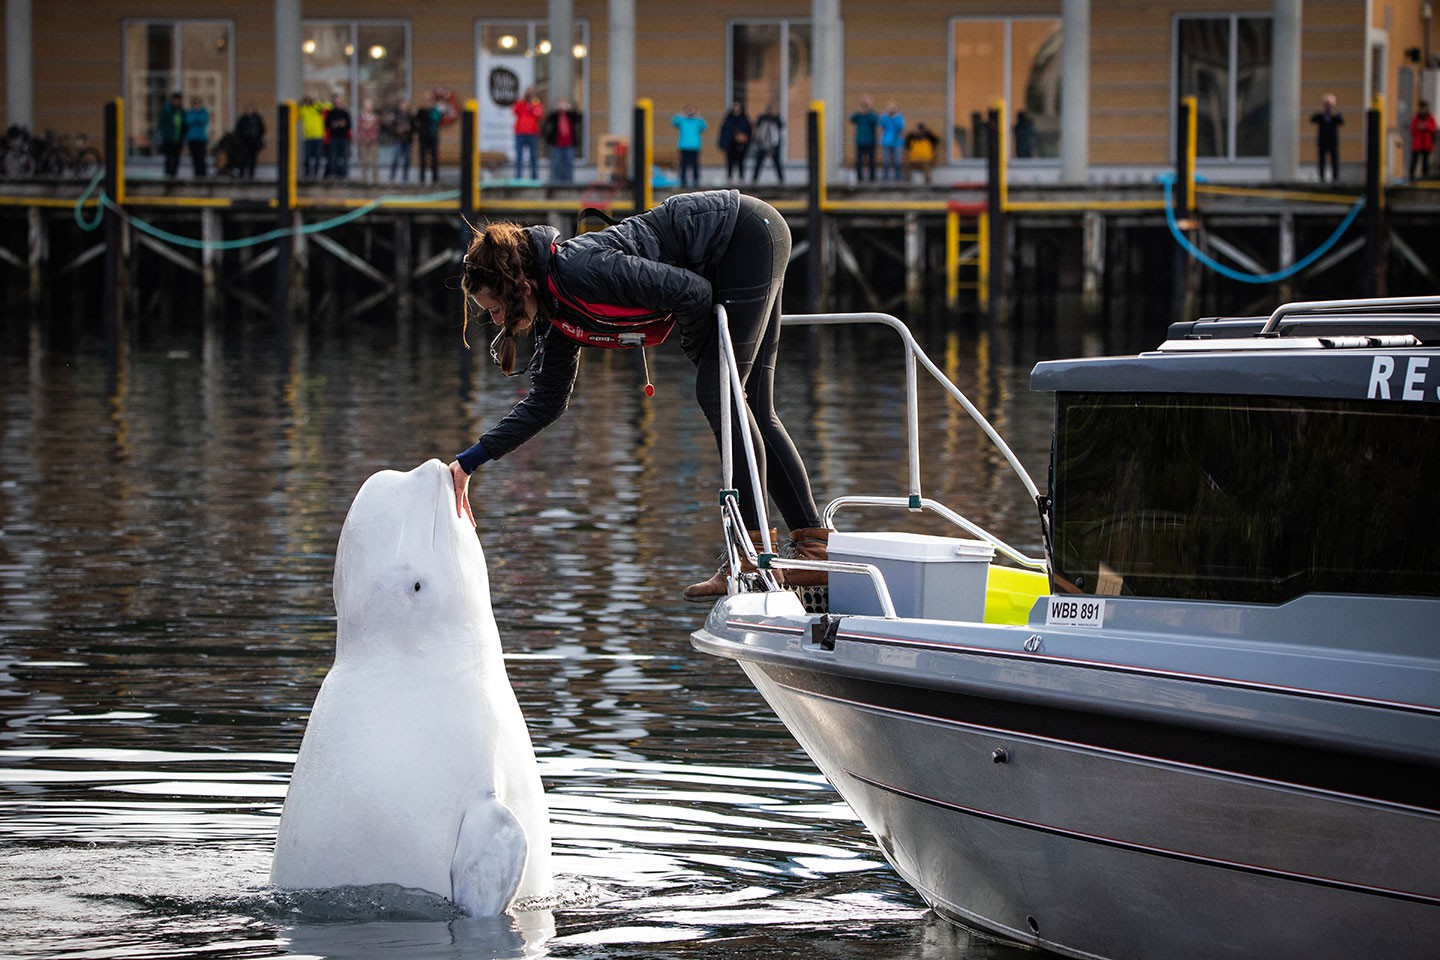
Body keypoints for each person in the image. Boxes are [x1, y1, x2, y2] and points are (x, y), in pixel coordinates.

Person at [448, 189, 830, 601]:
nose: (496, 319)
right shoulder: (554, 307)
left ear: (519, 287)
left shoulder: (579, 270)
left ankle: (751, 555)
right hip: (746, 238)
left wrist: (700, 354)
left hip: (742, 233)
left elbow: (693, 293)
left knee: (721, 393)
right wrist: (468, 464)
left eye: (494, 309)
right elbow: (547, 402)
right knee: (748, 403)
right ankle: (816, 550)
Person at [541, 97, 583, 184]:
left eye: (564, 104)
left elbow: (578, 118)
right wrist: (555, 110)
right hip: (556, 145)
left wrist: (570, 110)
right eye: (560, 104)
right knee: (556, 164)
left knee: (569, 165)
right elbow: (547, 122)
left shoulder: (570, 115)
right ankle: (556, 183)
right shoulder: (554, 116)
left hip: (569, 144)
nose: (562, 106)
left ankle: (569, 183)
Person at [673, 105, 708, 189]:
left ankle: (696, 180)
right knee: (683, 165)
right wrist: (683, 115)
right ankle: (683, 181)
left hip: (694, 146)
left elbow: (704, 126)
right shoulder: (682, 121)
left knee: (695, 165)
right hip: (684, 146)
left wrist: (698, 117)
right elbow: (674, 121)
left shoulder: (697, 121)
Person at [513, 87, 543, 180]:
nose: (529, 95)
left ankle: (534, 177)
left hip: (532, 133)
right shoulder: (521, 103)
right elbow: (515, 111)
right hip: (520, 132)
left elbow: (539, 114)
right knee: (519, 156)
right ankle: (518, 177)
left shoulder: (536, 103)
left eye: (531, 93)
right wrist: (523, 101)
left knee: (533, 156)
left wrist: (533, 105)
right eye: (527, 93)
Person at [717, 100, 752, 182]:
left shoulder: (744, 118)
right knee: (730, 161)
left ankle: (741, 177)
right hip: (730, 144)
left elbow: (749, 131)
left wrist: (745, 139)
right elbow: (724, 131)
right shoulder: (728, 119)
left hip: (741, 144)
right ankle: (729, 177)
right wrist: (722, 144)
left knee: (741, 161)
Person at [1311, 94, 1343, 183]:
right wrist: (1320, 113)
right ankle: (1321, 177)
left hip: (1332, 140)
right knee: (1321, 159)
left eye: (1329, 104)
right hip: (1322, 140)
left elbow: (1341, 121)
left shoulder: (1336, 114)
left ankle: (1335, 177)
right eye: (1326, 104)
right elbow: (1313, 119)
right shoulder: (1321, 114)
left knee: (1334, 159)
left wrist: (1334, 114)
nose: (1328, 106)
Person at [751, 102, 784, 184]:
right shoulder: (762, 118)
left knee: (777, 163)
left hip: (773, 144)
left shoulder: (776, 119)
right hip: (763, 143)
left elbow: (780, 127)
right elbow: (757, 127)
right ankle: (754, 180)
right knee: (758, 163)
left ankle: (781, 180)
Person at [298, 94, 329, 179]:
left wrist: (316, 100)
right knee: (307, 156)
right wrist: (301, 101)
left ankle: (316, 174)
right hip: (308, 136)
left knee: (318, 156)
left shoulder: (317, 108)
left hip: (318, 135)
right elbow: (297, 115)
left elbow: (327, 107)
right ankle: (307, 173)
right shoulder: (304, 108)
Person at [850, 97, 879, 182]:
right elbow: (852, 119)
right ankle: (859, 178)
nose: (865, 107)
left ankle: (872, 178)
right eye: (864, 105)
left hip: (870, 142)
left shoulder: (872, 115)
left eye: (866, 105)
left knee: (871, 161)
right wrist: (860, 112)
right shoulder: (859, 116)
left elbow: (875, 120)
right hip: (860, 142)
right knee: (859, 161)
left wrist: (869, 111)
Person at [157, 91, 185, 178]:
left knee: (176, 158)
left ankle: (174, 174)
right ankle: (168, 174)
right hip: (169, 138)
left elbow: (184, 125)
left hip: (178, 138)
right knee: (169, 157)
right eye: (175, 100)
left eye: (178, 100)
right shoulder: (166, 110)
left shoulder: (181, 111)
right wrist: (164, 135)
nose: (176, 102)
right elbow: (161, 124)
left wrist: (183, 136)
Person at [324, 93, 352, 178]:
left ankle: (344, 173)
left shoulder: (345, 113)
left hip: (343, 138)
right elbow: (327, 124)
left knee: (344, 157)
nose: (337, 102)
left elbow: (348, 125)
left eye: (339, 100)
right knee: (333, 156)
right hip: (333, 138)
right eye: (336, 100)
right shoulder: (330, 113)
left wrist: (341, 124)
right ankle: (333, 173)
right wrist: (336, 124)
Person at [416, 92, 442, 184]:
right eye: (426, 100)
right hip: (423, 137)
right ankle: (422, 178)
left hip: (433, 137)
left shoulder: (435, 111)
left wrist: (431, 110)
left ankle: (435, 178)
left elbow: (437, 119)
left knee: (434, 158)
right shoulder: (421, 111)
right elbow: (416, 122)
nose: (427, 102)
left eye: (429, 100)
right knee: (422, 158)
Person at [234, 104, 265, 179]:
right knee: (243, 158)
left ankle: (251, 174)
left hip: (254, 142)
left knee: (253, 159)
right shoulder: (243, 119)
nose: (250, 111)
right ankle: (241, 173)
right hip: (244, 142)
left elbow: (262, 129)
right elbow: (238, 130)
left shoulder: (257, 119)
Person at [879, 101, 906, 182]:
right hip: (886, 142)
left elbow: (901, 127)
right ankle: (885, 179)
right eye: (890, 108)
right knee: (886, 162)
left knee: (898, 161)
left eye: (893, 108)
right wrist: (885, 117)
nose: (892, 110)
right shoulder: (885, 118)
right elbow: (881, 125)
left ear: (896, 109)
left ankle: (898, 179)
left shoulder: (899, 117)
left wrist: (894, 118)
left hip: (897, 142)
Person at [388, 98, 414, 182]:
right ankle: (392, 176)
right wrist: (397, 130)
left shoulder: (411, 116)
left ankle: (405, 177)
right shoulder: (396, 116)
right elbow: (391, 128)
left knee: (407, 160)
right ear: (400, 105)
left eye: (406, 104)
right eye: (402, 104)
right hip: (398, 140)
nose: (404, 106)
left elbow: (415, 128)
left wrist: (409, 128)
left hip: (408, 140)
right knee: (395, 159)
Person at [183, 96, 210, 177]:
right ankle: (196, 174)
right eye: (195, 103)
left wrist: (195, 119)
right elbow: (188, 121)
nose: (196, 105)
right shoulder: (189, 112)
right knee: (195, 158)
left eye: (198, 103)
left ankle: (203, 174)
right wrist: (196, 119)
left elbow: (203, 120)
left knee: (201, 157)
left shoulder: (203, 112)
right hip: (192, 138)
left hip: (202, 138)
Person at [1410, 100, 1436, 181]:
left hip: (1426, 143)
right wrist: (1418, 127)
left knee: (1426, 162)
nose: (1423, 110)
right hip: (1417, 143)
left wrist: (1426, 126)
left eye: (1424, 108)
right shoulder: (1416, 118)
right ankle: (1411, 176)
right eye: (1421, 108)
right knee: (1414, 160)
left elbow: (1434, 128)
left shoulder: (1430, 118)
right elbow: (1412, 130)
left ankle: (1425, 177)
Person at [356, 98, 380, 183]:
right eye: (366, 105)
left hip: (373, 142)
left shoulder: (375, 118)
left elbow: (376, 130)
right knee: (364, 160)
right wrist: (363, 138)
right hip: (363, 142)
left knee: (374, 160)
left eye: (369, 105)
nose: (368, 107)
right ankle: (363, 178)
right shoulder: (361, 117)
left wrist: (371, 138)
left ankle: (375, 179)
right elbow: (360, 129)